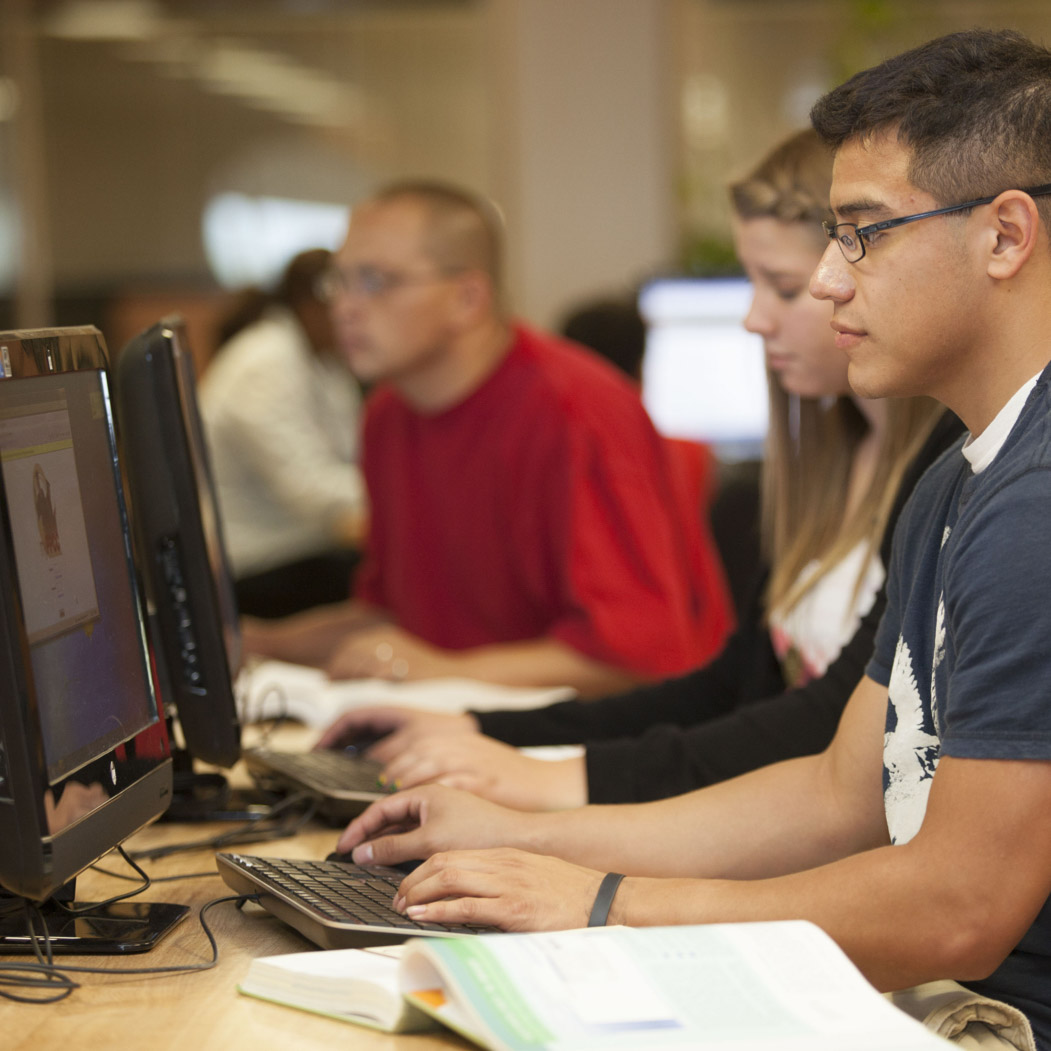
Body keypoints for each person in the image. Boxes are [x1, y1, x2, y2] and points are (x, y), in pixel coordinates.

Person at [332, 30, 1051, 1049]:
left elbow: (958, 909)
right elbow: (836, 793)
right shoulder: (954, 478)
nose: (828, 281)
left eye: (863, 234)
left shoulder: (1033, 505)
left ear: (1005, 236)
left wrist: (603, 903)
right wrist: (530, 837)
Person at [316, 129, 958, 813]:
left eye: (782, 286)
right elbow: (730, 689)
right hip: (772, 822)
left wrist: (561, 781)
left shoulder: (944, 472)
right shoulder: (826, 459)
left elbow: (822, 727)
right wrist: (485, 731)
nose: (752, 319)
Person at [242, 181, 733, 697]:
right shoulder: (387, 415)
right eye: (337, 282)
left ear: (468, 298)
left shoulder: (576, 414)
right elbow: (394, 622)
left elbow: (640, 656)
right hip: (465, 715)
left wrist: (438, 671)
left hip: (616, 728)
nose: (345, 307)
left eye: (374, 281)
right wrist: (262, 643)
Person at [199, 248, 367, 618]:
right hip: (255, 566)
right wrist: (401, 493)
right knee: (387, 582)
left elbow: (354, 456)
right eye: (347, 306)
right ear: (312, 307)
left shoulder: (324, 361)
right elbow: (308, 488)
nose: (359, 318)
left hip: (300, 547)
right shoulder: (264, 364)